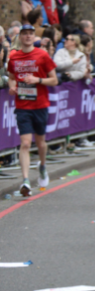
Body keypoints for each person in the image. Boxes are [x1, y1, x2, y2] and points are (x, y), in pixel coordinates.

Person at [7, 24, 58, 196]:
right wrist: (12, 87)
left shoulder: (42, 55)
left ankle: (42, 165)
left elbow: (55, 80)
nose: (28, 37)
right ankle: (26, 180)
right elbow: (12, 78)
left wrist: (37, 80)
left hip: (40, 105)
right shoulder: (13, 57)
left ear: (34, 37)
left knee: (41, 143)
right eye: (25, 34)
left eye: (31, 34)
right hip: (22, 106)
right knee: (26, 143)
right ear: (20, 37)